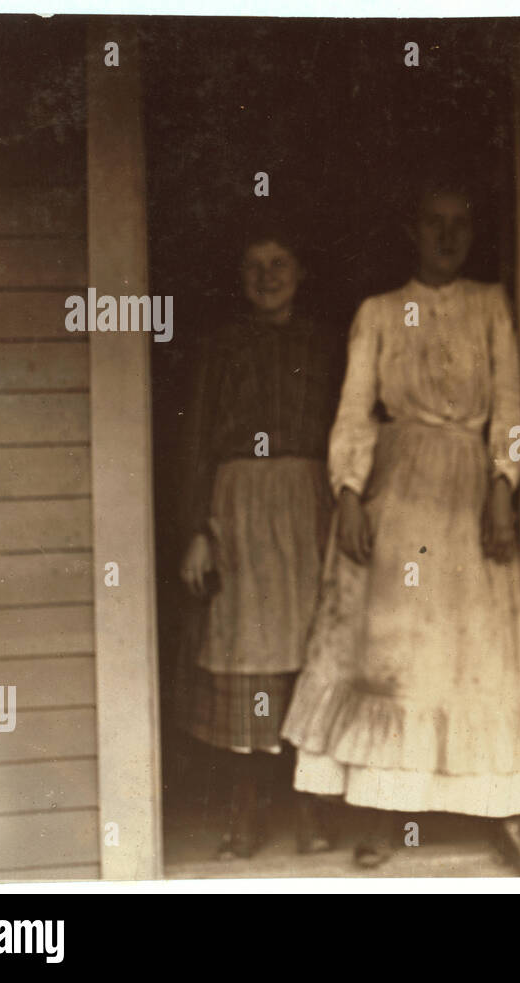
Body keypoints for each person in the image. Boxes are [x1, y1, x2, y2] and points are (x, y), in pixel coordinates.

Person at [280, 176, 520, 876]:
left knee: (479, 648)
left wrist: (504, 485)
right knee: (393, 652)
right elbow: (353, 409)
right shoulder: (378, 311)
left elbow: (510, 403)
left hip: (469, 489)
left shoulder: (492, 305)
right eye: (433, 224)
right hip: (397, 489)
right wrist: (347, 491)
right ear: (412, 231)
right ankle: (382, 808)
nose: (447, 237)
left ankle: (508, 817)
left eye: (459, 224)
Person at [177, 227, 340, 860]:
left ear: (300, 270)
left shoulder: (324, 344)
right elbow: (193, 445)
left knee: (308, 645)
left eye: (279, 263)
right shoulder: (220, 346)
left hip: (306, 507)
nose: (267, 276)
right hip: (237, 508)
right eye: (253, 265)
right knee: (247, 651)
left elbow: (348, 430)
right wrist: (196, 528)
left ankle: (308, 806)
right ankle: (245, 809)